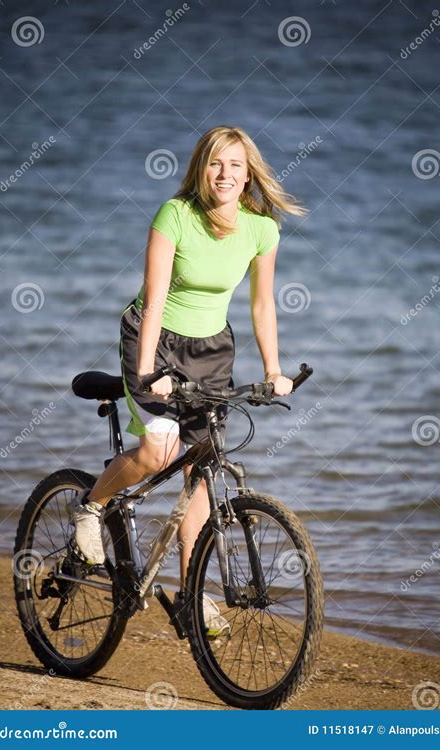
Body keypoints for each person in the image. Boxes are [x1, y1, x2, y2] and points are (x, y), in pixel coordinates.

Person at [71, 125, 305, 636]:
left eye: (236, 166)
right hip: (153, 338)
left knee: (202, 467)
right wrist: (150, 370)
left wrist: (272, 370)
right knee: (158, 450)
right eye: (216, 163)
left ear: (248, 176)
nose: (226, 174)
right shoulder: (174, 215)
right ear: (202, 168)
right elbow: (154, 299)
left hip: (212, 350)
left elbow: (262, 304)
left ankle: (191, 596)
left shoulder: (261, 229)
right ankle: (90, 507)